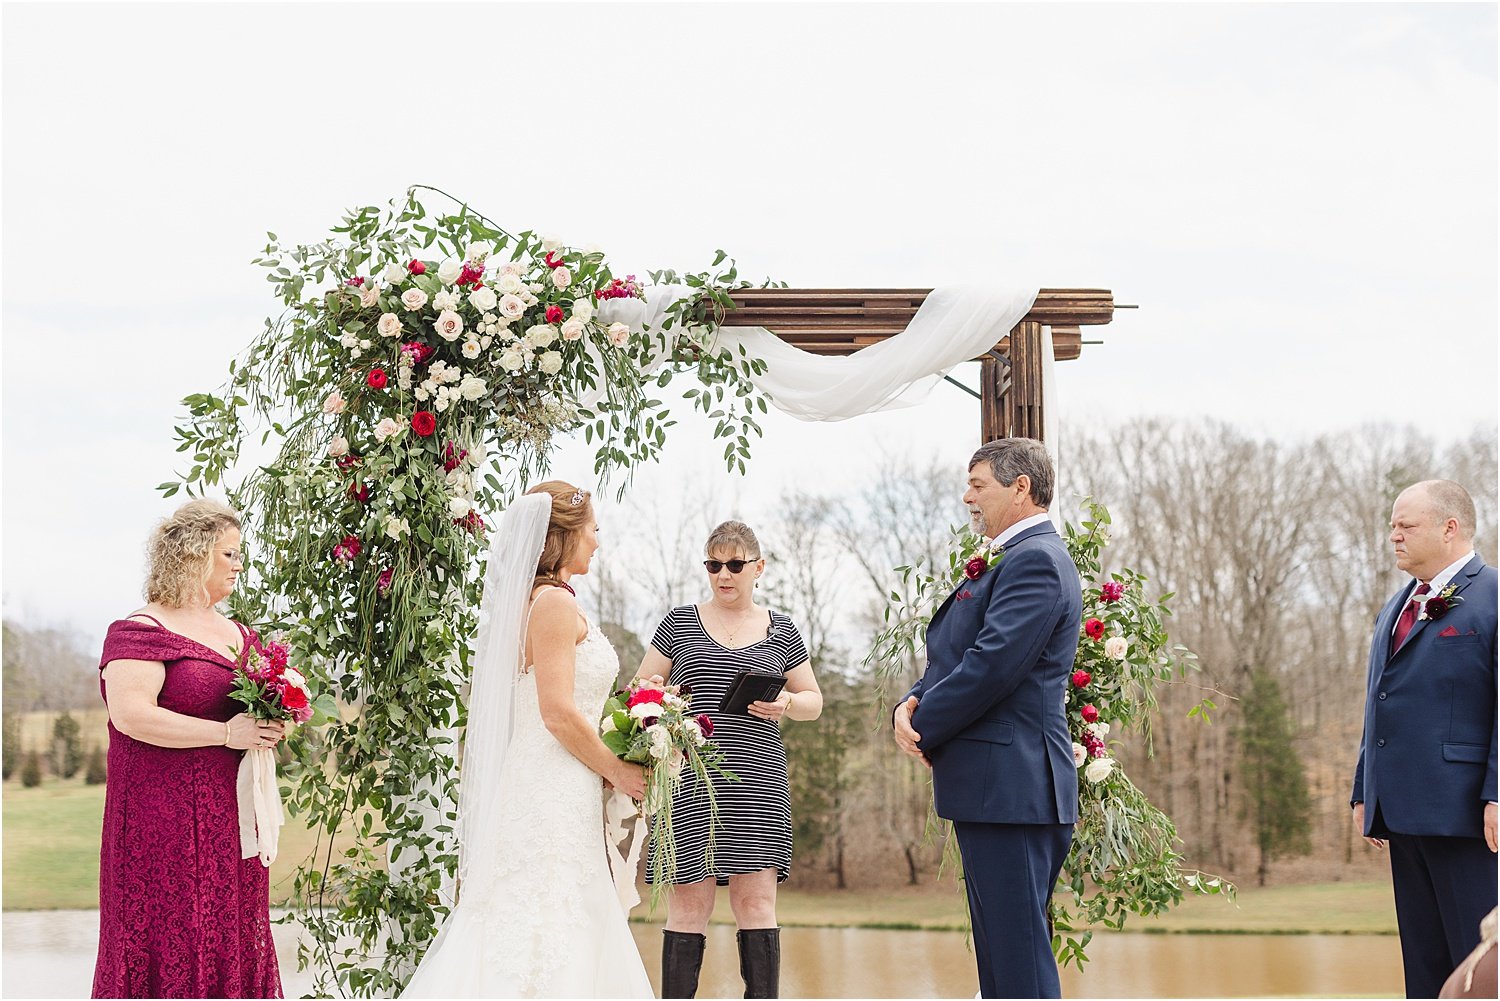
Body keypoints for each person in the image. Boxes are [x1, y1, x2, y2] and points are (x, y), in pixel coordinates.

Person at [402, 481, 652, 999]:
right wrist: (618, 769)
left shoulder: (539, 600)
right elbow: (558, 712)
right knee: (546, 911)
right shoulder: (555, 605)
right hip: (551, 781)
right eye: (593, 531)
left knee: (543, 909)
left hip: (556, 777)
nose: (598, 543)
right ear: (561, 537)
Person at [892, 438, 1081, 999]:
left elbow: (993, 666)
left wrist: (924, 724)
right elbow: (958, 657)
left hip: (1014, 790)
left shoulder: (1037, 563)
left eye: (978, 484)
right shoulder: (1016, 559)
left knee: (1019, 963)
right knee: (1001, 962)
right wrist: (910, 701)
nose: (967, 495)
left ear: (1020, 487)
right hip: (995, 790)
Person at [93, 499, 287, 998]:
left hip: (232, 816)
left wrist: (271, 723)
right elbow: (132, 715)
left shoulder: (239, 634)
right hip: (161, 819)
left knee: (232, 931)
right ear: (194, 555)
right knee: (169, 930)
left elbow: (250, 707)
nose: (240, 564)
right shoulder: (141, 630)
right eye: (230, 554)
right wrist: (227, 734)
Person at [637, 520, 822, 999]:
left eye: (735, 564)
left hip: (758, 786)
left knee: (757, 906)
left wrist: (786, 705)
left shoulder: (782, 630)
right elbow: (639, 693)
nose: (724, 574)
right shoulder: (677, 622)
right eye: (714, 564)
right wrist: (664, 709)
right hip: (688, 785)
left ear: (758, 568)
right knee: (687, 910)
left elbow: (814, 700)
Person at [1351, 479, 1497, 999]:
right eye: (1392, 526)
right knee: (1424, 968)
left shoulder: (1493, 595)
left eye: (1405, 525)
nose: (1393, 536)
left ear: (1449, 527)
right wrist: (1365, 788)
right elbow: (1378, 701)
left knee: (1478, 969)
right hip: (1403, 814)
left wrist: (1497, 795)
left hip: (1468, 817)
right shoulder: (1396, 605)